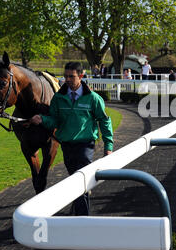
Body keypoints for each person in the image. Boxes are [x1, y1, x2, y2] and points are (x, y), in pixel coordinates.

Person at [28, 62, 114, 216]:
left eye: (71, 76)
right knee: (76, 180)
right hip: (66, 145)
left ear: (81, 76)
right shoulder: (58, 98)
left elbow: (104, 120)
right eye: (65, 76)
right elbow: (54, 121)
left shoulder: (93, 98)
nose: (67, 79)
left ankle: (82, 219)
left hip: (85, 146)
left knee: (80, 181)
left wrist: (108, 146)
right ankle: (79, 211)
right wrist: (42, 120)